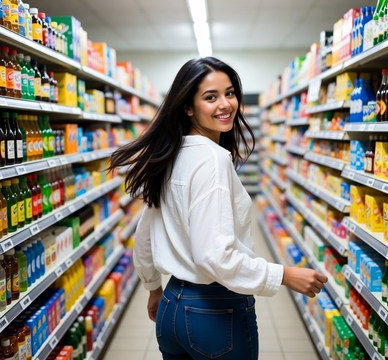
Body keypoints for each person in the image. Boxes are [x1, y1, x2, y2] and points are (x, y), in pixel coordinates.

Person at [109, 57, 328, 360]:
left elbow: (145, 233)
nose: (225, 104)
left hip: (171, 307)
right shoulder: (212, 160)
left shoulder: (169, 154)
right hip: (214, 311)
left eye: (230, 93)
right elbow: (215, 256)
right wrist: (283, 275)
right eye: (210, 97)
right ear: (188, 107)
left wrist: (153, 287)